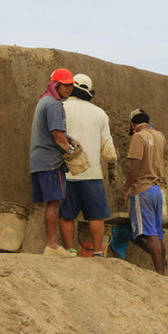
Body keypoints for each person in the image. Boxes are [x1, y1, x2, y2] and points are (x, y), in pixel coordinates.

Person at [58, 74, 117, 257]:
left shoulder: (61, 108)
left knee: (66, 215)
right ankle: (98, 252)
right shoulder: (100, 113)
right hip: (92, 174)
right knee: (96, 216)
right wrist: (111, 163)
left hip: (67, 172)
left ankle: (69, 251)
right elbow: (109, 151)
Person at [29, 68, 80, 258]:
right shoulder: (54, 104)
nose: (69, 89)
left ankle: (52, 245)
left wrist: (70, 139)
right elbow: (56, 133)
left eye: (70, 85)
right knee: (54, 203)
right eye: (65, 85)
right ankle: (52, 246)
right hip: (51, 161)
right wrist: (70, 150)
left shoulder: (44, 101)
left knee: (52, 203)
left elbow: (56, 131)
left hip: (39, 160)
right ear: (56, 85)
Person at [118, 108, 167, 274]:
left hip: (142, 190)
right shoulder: (160, 136)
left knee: (150, 234)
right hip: (156, 191)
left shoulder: (138, 137)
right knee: (158, 233)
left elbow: (135, 167)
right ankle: (166, 270)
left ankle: (159, 273)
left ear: (133, 124)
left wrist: (125, 191)